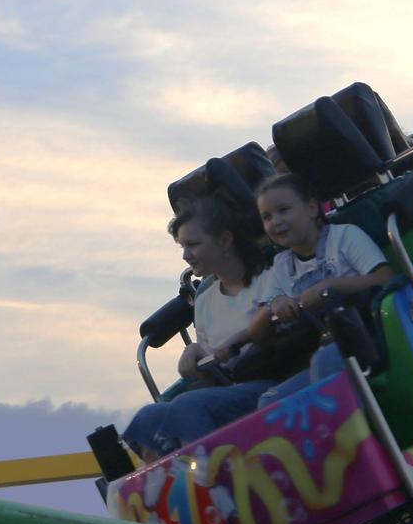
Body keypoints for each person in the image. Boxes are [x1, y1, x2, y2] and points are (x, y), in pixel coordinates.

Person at [120, 196, 277, 460]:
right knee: (147, 418)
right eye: (182, 246)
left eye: (192, 245)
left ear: (225, 241)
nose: (185, 255)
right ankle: (161, 488)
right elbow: (212, 355)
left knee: (188, 406)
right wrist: (196, 354)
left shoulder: (270, 278)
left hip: (269, 379)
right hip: (229, 388)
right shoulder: (205, 299)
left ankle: (214, 479)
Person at [242, 173, 395, 401]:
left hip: (367, 338)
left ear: (312, 208)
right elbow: (257, 333)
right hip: (320, 350)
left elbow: (385, 278)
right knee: (270, 401)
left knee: (325, 361)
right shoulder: (281, 265)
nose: (275, 222)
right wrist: (273, 307)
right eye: (267, 217)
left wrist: (331, 286)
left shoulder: (344, 236)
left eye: (283, 210)